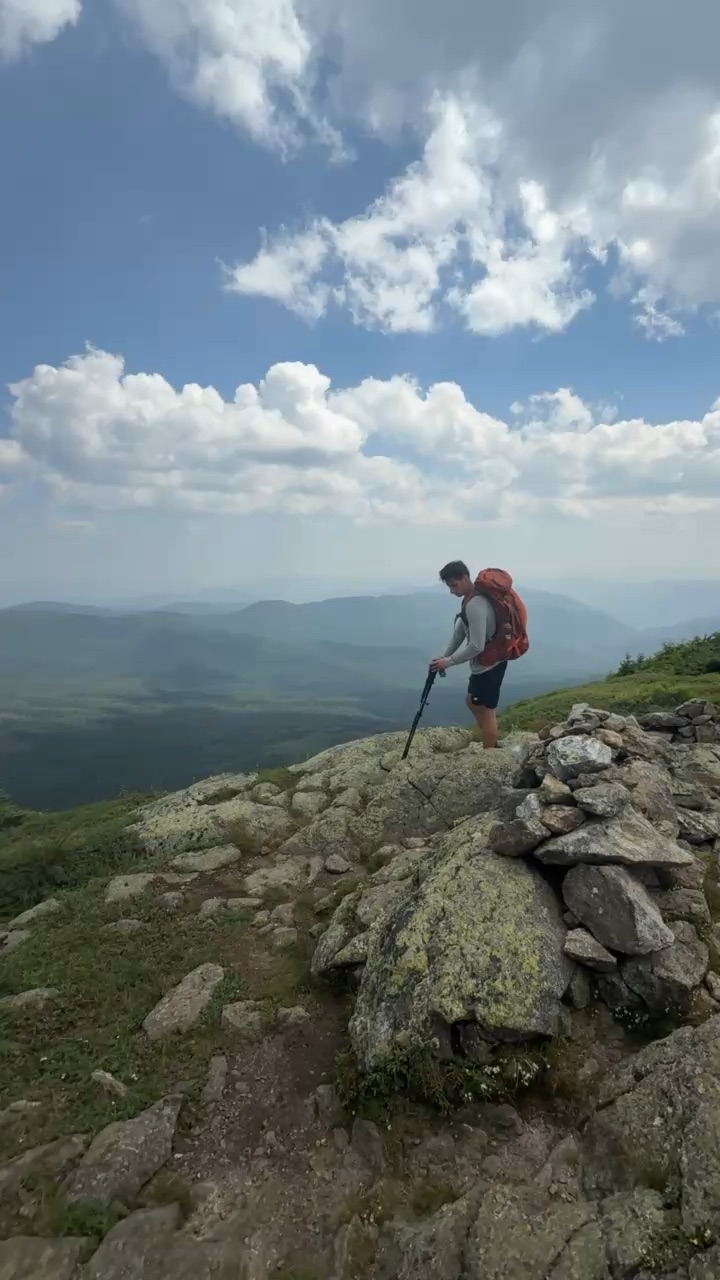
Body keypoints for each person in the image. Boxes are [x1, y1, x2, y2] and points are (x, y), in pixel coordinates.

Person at [430, 560, 506, 749]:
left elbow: (476, 646)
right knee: (472, 701)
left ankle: (490, 756)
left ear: (465, 578)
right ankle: (491, 736)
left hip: (490, 664)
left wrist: (449, 662)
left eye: (454, 585)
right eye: (449, 587)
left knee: (487, 711)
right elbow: (460, 632)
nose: (452, 591)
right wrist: (444, 657)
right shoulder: (470, 599)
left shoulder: (475, 604)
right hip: (485, 664)